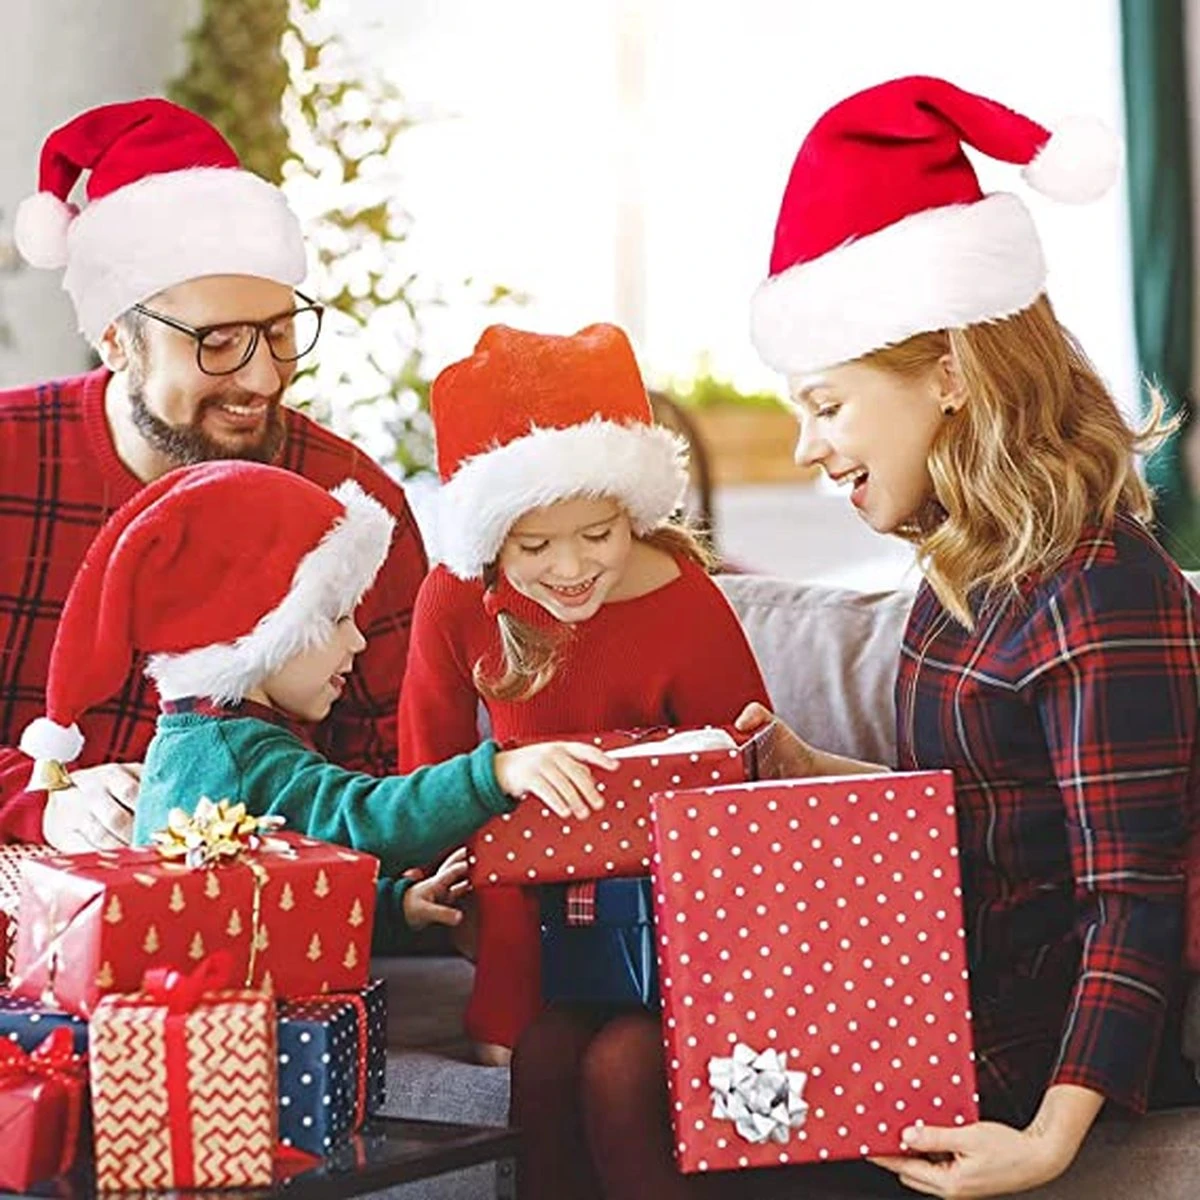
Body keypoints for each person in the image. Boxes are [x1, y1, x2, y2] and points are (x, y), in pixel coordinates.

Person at [511, 76, 1200, 1199]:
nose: (807, 447)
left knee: (651, 1082)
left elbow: (1131, 891)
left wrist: (1047, 1143)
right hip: (936, 990)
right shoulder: (961, 568)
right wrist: (808, 770)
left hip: (1032, 1046)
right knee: (606, 1053)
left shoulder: (1102, 588)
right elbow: (977, 807)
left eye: (826, 405)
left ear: (949, 373)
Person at [0, 98, 427, 852]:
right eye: (219, 342)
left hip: (260, 935)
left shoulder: (352, 505)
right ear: (115, 340)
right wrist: (42, 804)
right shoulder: (8, 461)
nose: (263, 376)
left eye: (281, 331)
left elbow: (396, 770)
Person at [19, 460, 616, 944]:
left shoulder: (202, 740)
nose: (357, 641)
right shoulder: (238, 750)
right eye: (334, 618)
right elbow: (356, 817)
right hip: (241, 1023)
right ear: (260, 634)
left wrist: (393, 907)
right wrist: (494, 773)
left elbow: (281, 884)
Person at [397, 322, 770, 1063]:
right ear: (491, 541)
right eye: (534, 547)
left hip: (662, 896)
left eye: (598, 534)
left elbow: (746, 774)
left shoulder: (685, 602)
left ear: (633, 511)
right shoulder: (453, 599)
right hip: (514, 898)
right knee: (523, 1055)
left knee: (624, 1064)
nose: (570, 567)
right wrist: (435, 887)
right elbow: (425, 761)